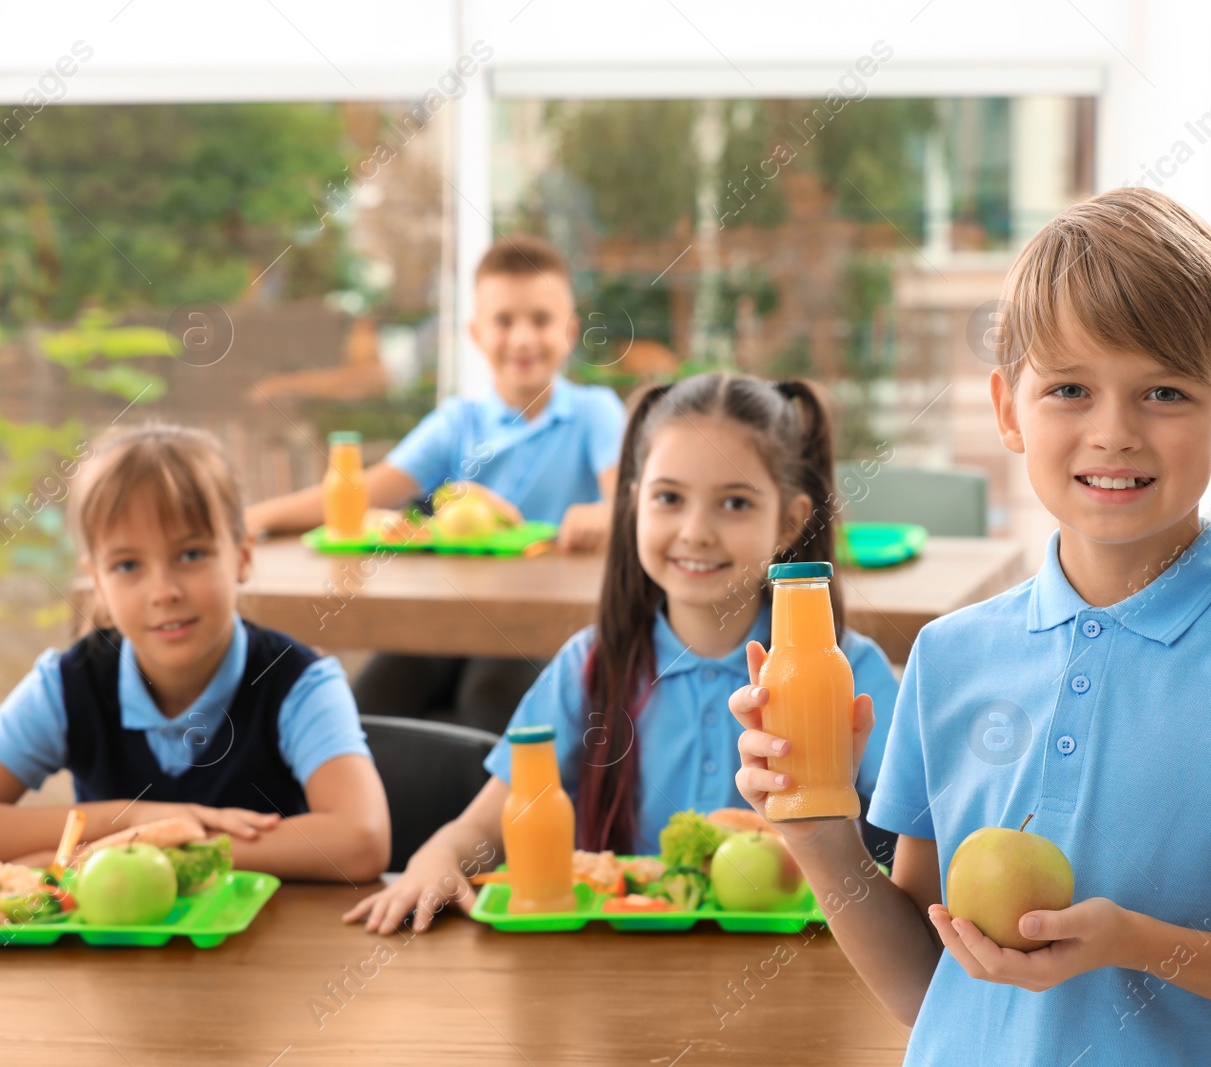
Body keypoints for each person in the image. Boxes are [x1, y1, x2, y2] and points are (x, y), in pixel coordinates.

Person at [729, 187, 1211, 1061]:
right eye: (1068, 388)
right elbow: (922, 984)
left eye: (1163, 391)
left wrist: (1135, 940)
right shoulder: (948, 657)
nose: (1113, 432)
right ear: (1008, 409)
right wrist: (819, 835)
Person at [344, 373, 899, 934]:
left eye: (734, 503)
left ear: (789, 521)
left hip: (802, 973)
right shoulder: (585, 667)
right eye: (668, 498)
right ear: (633, 504)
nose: (695, 531)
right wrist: (435, 859)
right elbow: (481, 828)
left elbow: (925, 838)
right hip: (615, 980)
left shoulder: (849, 672)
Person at [244, 235, 627, 732]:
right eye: (504, 321)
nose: (523, 338)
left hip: (532, 626)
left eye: (541, 320)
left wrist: (608, 511)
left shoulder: (594, 412)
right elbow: (360, 493)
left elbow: (630, 503)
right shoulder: (457, 422)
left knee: (489, 701)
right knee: (363, 709)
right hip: (444, 620)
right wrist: (257, 517)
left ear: (570, 331)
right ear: (474, 333)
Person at [0, 424, 389, 881]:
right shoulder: (65, 685)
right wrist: (132, 821)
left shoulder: (298, 682)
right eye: (127, 566)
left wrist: (169, 844)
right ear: (98, 581)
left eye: (190, 555)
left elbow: (362, 840)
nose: (163, 591)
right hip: (114, 951)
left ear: (243, 556)